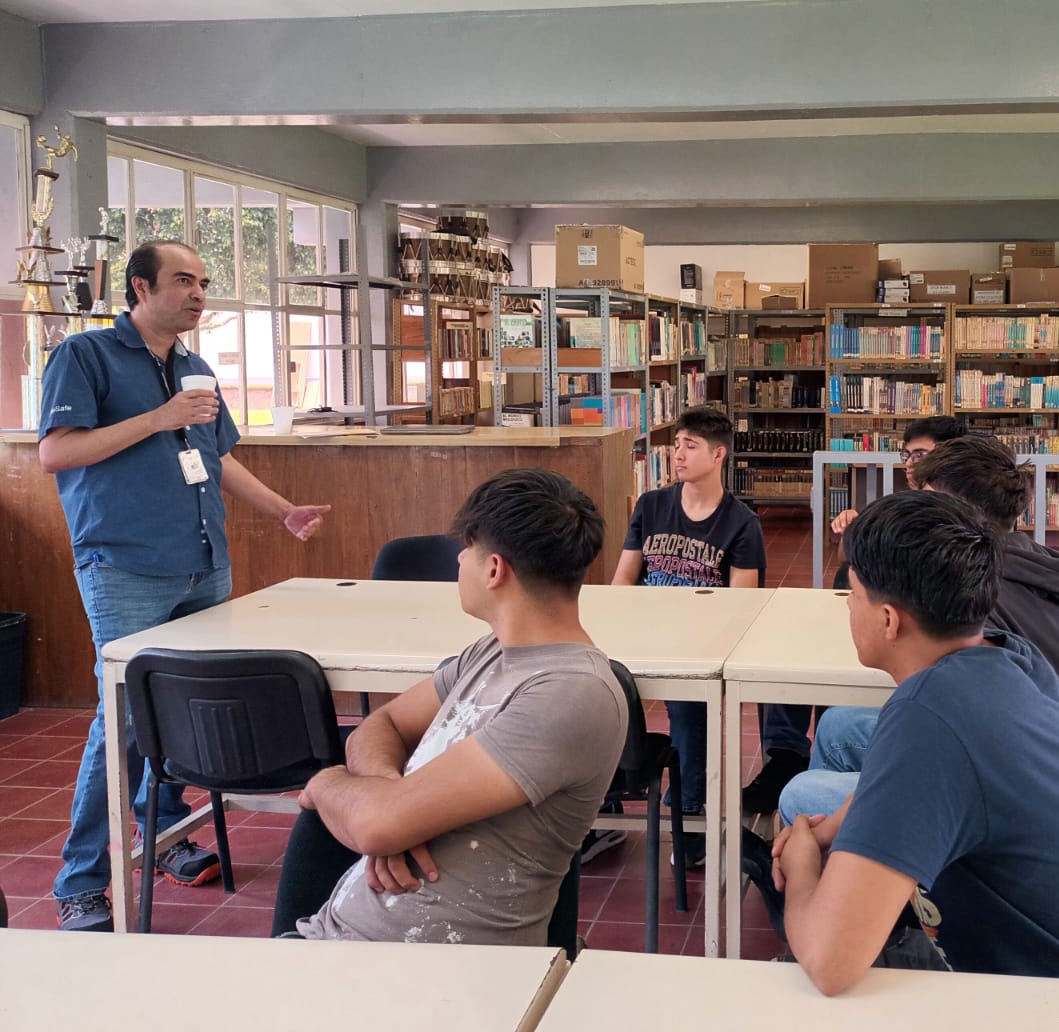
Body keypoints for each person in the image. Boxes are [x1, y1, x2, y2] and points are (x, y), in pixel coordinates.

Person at [38, 239, 332, 934]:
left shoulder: (197, 367)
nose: (199, 294)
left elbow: (215, 457)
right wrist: (156, 419)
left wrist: (282, 509)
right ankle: (81, 881)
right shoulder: (86, 357)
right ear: (140, 288)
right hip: (125, 565)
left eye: (203, 282)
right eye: (183, 281)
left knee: (182, 712)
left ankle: (165, 833)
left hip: (204, 562)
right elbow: (55, 452)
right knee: (125, 722)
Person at [771, 491, 1059, 993]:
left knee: (805, 974)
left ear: (889, 619)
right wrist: (830, 827)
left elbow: (830, 964)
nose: (847, 607)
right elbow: (905, 786)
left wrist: (803, 862)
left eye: (851, 594)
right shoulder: (1008, 656)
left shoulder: (929, 717)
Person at [274, 468, 627, 944]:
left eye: (467, 548)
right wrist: (384, 793)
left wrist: (327, 783)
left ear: (494, 569)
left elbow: (376, 823)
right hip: (341, 947)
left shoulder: (569, 693)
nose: (459, 559)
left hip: (431, 980)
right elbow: (382, 726)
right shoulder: (490, 651)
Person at [777, 435, 1059, 827]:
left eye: (926, 505)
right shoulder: (1031, 562)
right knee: (837, 725)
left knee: (801, 795)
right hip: (1055, 751)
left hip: (1017, 786)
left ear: (959, 517)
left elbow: (946, 735)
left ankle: (850, 864)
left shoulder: (965, 588)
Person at [610, 405, 770, 860]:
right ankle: (602, 804)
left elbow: (743, 605)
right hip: (643, 635)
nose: (677, 455)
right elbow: (623, 580)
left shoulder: (742, 523)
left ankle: (691, 813)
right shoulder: (651, 505)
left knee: (687, 705)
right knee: (595, 686)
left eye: (690, 446)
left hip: (700, 646)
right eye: (676, 445)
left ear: (719, 455)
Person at [827, 414, 967, 536]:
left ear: (951, 456)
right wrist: (852, 527)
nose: (908, 464)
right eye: (907, 455)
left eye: (919, 454)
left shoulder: (968, 517)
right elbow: (845, 556)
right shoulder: (901, 507)